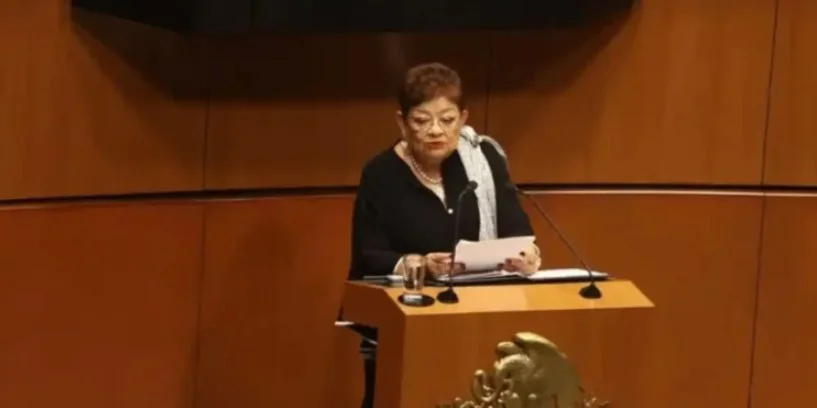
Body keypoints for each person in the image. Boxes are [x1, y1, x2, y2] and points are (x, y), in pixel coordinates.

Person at [346, 62, 541, 408]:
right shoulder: (381, 174)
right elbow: (369, 255)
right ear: (402, 123)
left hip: (480, 320)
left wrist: (529, 256)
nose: (436, 130)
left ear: (463, 119)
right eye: (422, 121)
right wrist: (421, 265)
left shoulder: (483, 159)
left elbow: (518, 231)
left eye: (447, 120)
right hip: (409, 321)